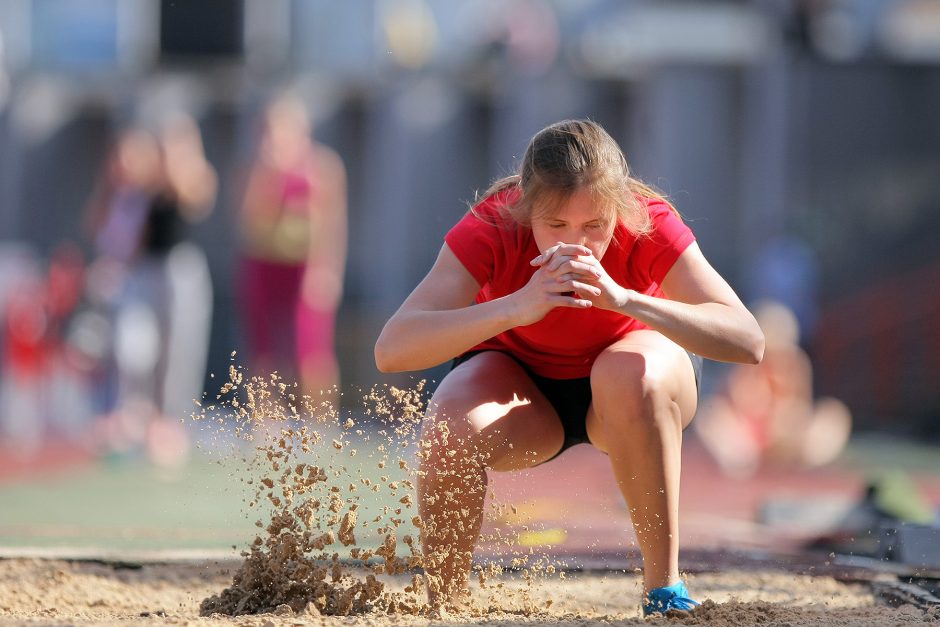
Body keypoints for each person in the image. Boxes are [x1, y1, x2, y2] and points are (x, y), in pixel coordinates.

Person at [374, 119, 765, 616]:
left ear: (617, 211)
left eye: (595, 227)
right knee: (449, 425)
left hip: (633, 388)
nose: (575, 244)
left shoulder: (649, 222)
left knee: (629, 375)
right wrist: (520, 305)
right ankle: (445, 606)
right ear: (527, 211)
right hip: (524, 392)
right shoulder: (494, 224)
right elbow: (392, 349)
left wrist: (624, 299)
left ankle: (664, 591)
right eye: (556, 226)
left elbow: (747, 340)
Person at [85, 114, 217, 466]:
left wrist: (178, 157)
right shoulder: (143, 187)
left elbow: (195, 196)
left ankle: (169, 422)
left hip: (179, 269)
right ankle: (131, 415)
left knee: (178, 351)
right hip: (146, 272)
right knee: (134, 345)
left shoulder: (190, 177)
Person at [236, 94, 347, 399]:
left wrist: (326, 270)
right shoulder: (256, 169)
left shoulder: (323, 166)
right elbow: (246, 219)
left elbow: (332, 224)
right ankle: (266, 422)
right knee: (263, 349)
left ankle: (319, 422)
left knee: (311, 349)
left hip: (304, 265)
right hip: (264, 262)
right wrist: (266, 174)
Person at [695, 299, 852, 478]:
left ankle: (806, 462)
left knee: (834, 414)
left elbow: (801, 408)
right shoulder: (746, 362)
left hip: (785, 437)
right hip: (750, 441)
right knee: (711, 416)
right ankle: (742, 462)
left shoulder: (796, 364)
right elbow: (736, 406)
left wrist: (786, 418)